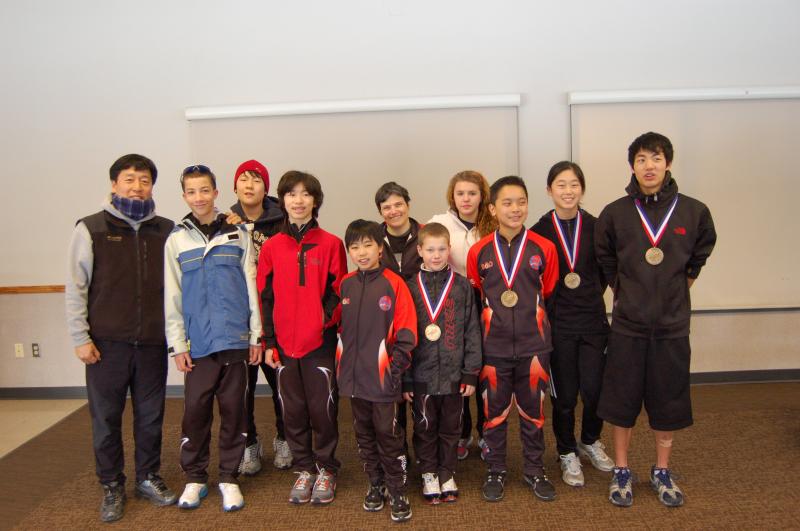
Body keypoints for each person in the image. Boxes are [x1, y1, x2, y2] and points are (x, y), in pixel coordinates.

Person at [595, 132, 716, 508]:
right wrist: (626, 290)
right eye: (642, 159)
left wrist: (674, 289)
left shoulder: (694, 211)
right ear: (632, 166)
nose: (649, 166)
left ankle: (662, 469)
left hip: (671, 326)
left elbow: (699, 255)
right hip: (628, 325)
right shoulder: (615, 213)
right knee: (622, 400)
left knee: (668, 400)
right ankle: (621, 468)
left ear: (668, 163)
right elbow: (605, 258)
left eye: (657, 158)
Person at [65, 154, 177, 522]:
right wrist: (80, 337)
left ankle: (148, 476)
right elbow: (76, 287)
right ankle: (111, 484)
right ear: (114, 184)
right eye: (129, 179)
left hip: (152, 343)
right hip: (105, 345)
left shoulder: (167, 230)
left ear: (152, 186)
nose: (136, 187)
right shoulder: (91, 228)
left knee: (151, 418)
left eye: (144, 180)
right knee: (106, 419)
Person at [164, 164, 263, 512]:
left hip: (235, 339)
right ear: (184, 196)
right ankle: (195, 478)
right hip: (198, 344)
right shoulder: (176, 239)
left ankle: (229, 478)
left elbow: (251, 285)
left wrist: (256, 335)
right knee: (195, 411)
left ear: (216, 193)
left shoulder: (238, 233)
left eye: (205, 190)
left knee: (235, 411)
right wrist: (178, 344)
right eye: (191, 191)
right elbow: (173, 297)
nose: (199, 197)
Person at [466, 176, 559, 502]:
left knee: (534, 414)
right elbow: (477, 292)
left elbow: (548, 289)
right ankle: (495, 469)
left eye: (521, 202)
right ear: (492, 208)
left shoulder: (544, 248)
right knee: (494, 414)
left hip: (535, 346)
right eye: (507, 203)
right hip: (494, 348)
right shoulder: (478, 251)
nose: (515, 209)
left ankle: (534, 469)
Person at [257, 171, 347, 506]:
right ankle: (304, 468)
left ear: (315, 200)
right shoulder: (271, 247)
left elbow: (338, 291)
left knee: (323, 409)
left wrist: (322, 320)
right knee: (292, 410)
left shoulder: (331, 243)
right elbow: (265, 296)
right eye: (291, 194)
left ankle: (326, 468)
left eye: (306, 194)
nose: (298, 200)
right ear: (282, 200)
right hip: (282, 344)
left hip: (319, 342)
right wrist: (268, 341)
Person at [531, 161, 613, 488]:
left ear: (582, 188)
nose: (568, 191)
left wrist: (587, 295)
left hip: (593, 321)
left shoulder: (597, 227)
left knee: (595, 392)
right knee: (564, 397)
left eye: (574, 184)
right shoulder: (539, 232)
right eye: (561, 185)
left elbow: (606, 273)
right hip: (558, 325)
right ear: (549, 190)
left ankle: (590, 440)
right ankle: (566, 451)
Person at [337, 219, 418, 523]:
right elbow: (337, 328)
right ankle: (376, 483)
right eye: (354, 247)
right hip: (353, 380)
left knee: (389, 436)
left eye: (368, 245)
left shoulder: (394, 284)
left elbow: (407, 332)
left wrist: (395, 370)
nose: (361, 252)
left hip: (384, 380)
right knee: (364, 435)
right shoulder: (345, 284)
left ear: (380, 248)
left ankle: (398, 490)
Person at [403, 222, 482, 504]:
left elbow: (472, 330)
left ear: (449, 249)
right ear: (419, 251)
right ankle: (428, 473)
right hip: (421, 375)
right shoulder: (409, 288)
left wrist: (470, 373)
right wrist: (406, 378)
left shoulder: (461, 287)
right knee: (424, 427)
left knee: (451, 428)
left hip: (453, 375)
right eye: (430, 250)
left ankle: (447, 472)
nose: (436, 255)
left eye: (441, 249)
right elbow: (403, 335)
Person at [227, 159, 293, 474]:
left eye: (256, 180)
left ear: (266, 188)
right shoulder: (224, 222)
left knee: (283, 386)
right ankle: (249, 443)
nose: (249, 185)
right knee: (241, 390)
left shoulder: (283, 221)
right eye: (244, 179)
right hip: (239, 319)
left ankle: (285, 438)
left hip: (275, 317)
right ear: (234, 187)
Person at [428, 170, 495, 460]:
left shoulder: (494, 223)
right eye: (460, 193)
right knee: (459, 370)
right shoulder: (439, 223)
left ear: (482, 196)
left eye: (472, 193)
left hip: (488, 303)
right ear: (452, 196)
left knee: (487, 371)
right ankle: (462, 432)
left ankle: (487, 433)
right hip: (452, 304)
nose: (466, 199)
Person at [374, 181, 422, 452]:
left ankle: (425, 453)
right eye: (386, 207)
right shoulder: (373, 239)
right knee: (394, 389)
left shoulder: (426, 234)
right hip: (387, 326)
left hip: (424, 323)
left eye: (398, 204)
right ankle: (398, 453)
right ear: (381, 212)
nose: (393, 211)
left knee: (420, 391)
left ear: (408, 204)